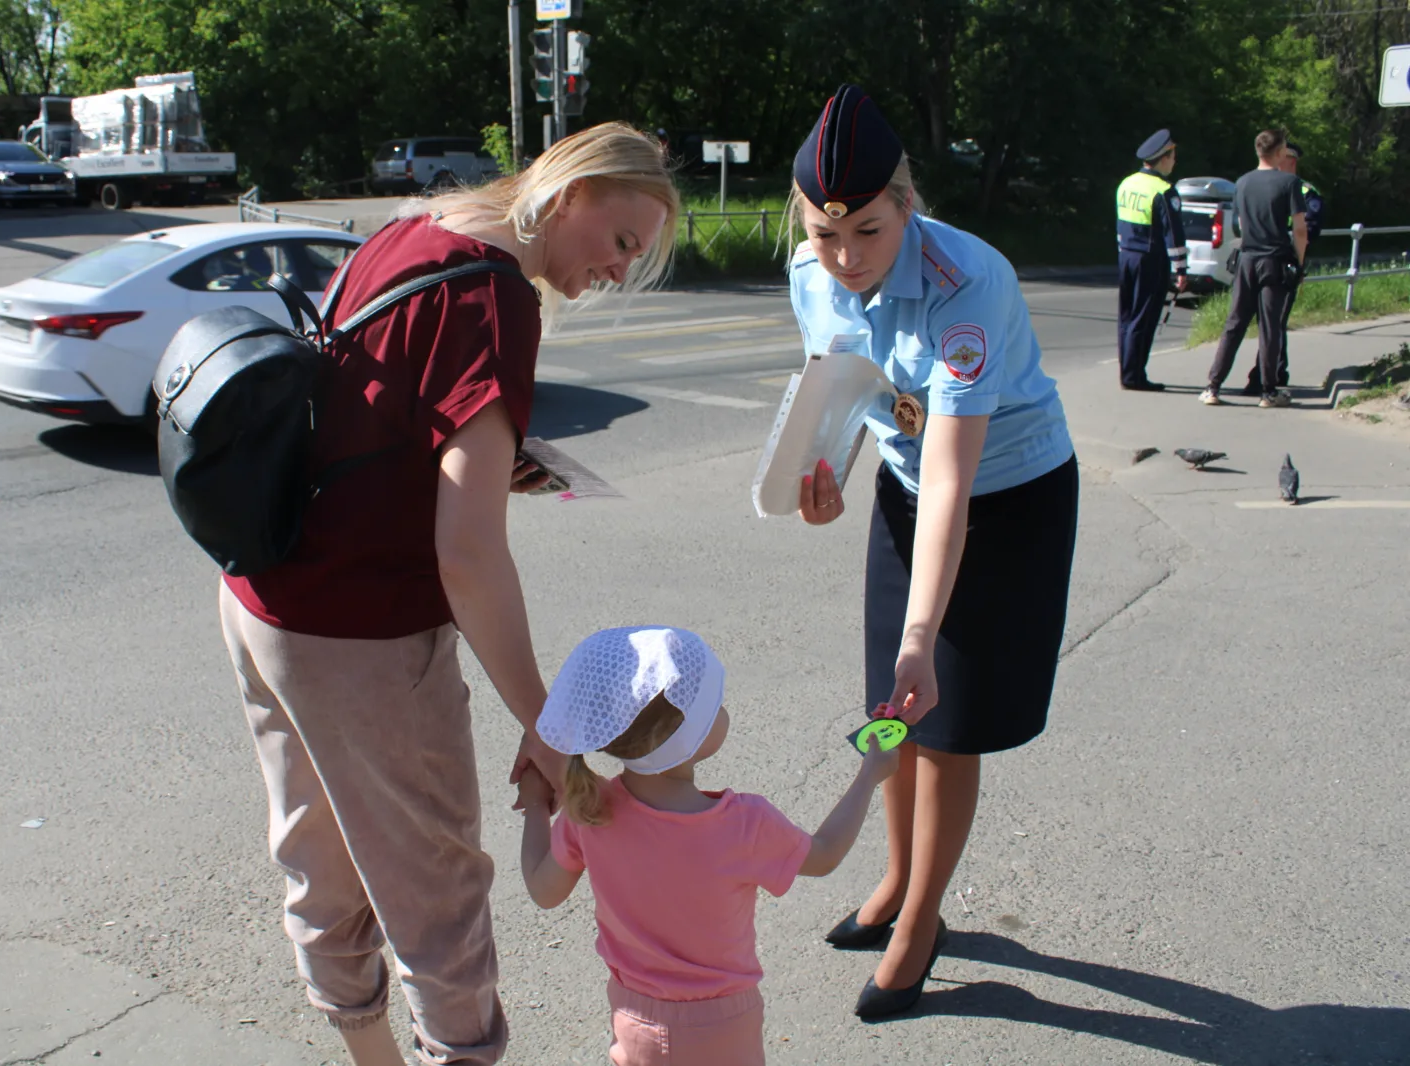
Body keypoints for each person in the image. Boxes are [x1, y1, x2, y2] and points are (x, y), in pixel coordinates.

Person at [217, 122, 677, 1066]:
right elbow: (467, 556)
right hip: (364, 637)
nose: (622, 271)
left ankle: (370, 1056)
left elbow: (369, 404)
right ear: (572, 192)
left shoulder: (422, 225)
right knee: (439, 900)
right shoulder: (499, 297)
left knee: (323, 863)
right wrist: (547, 725)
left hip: (264, 595)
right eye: (623, 242)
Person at [785, 84, 1079, 1020]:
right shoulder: (810, 272)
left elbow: (957, 474)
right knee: (891, 711)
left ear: (905, 206)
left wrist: (924, 631)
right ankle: (895, 880)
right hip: (909, 490)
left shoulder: (968, 281)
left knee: (941, 721)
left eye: (867, 232)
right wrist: (826, 472)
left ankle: (921, 922)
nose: (847, 258)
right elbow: (846, 395)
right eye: (827, 236)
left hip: (1007, 498)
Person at [515, 626, 899, 1066]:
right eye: (714, 705)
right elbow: (825, 853)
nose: (724, 709)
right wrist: (869, 775)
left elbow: (544, 891)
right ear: (688, 737)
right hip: (722, 1030)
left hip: (633, 1021)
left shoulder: (590, 810)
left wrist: (533, 807)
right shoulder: (743, 824)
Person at [1201, 127, 1308, 409]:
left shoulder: (1242, 183)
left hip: (1247, 259)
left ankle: (1213, 386)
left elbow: (1240, 224)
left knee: (1234, 324)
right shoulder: (1289, 184)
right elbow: (1299, 229)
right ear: (1280, 151)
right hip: (1274, 261)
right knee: (1270, 327)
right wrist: (1299, 262)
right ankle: (1268, 392)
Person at [1243, 140, 1325, 396]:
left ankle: (1261, 377)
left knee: (1274, 319)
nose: (1278, 161)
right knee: (1272, 319)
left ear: (1292, 161)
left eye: (1284, 157)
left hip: (1286, 261)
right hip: (1261, 259)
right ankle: (1278, 370)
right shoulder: (1265, 185)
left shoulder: (1304, 192)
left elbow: (1309, 228)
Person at [1114, 128, 1187, 391]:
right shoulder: (1164, 190)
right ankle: (1134, 376)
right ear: (1163, 158)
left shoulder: (1127, 183)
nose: (1175, 161)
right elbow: (1174, 234)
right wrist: (1181, 269)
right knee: (1143, 317)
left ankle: (1126, 370)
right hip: (1150, 260)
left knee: (1127, 315)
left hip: (1126, 257)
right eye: (1173, 156)